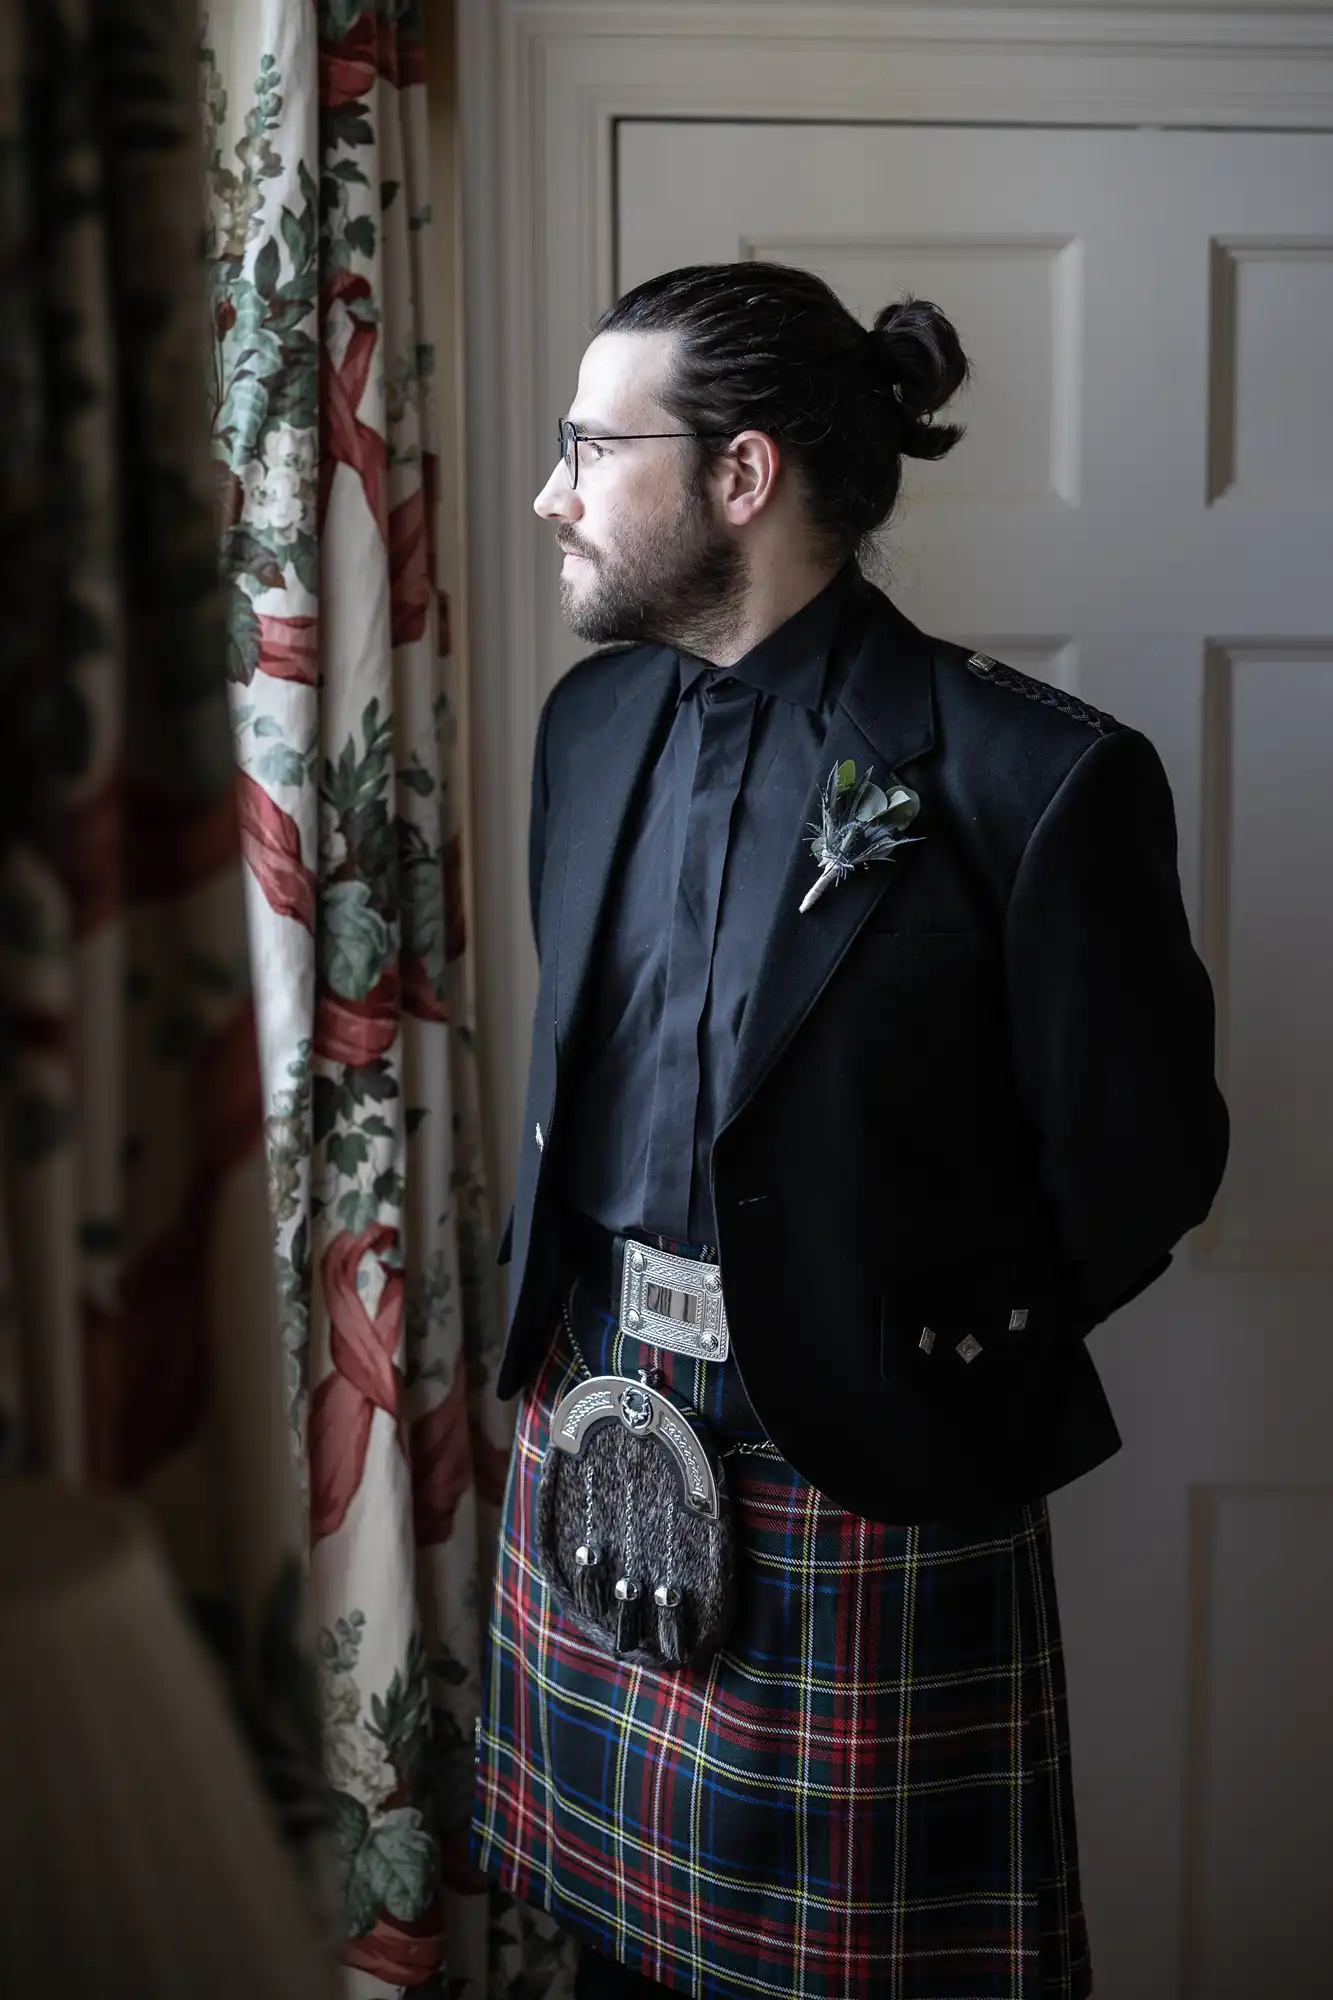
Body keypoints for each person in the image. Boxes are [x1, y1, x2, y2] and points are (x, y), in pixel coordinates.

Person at [470, 262, 1229, 2000]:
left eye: (593, 446)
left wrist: (915, 1349)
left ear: (742, 477)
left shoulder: (1030, 780)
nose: (549, 494)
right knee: (604, 1966)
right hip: (591, 1413)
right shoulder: (585, 730)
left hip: (860, 1463)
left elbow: (1144, 1166)